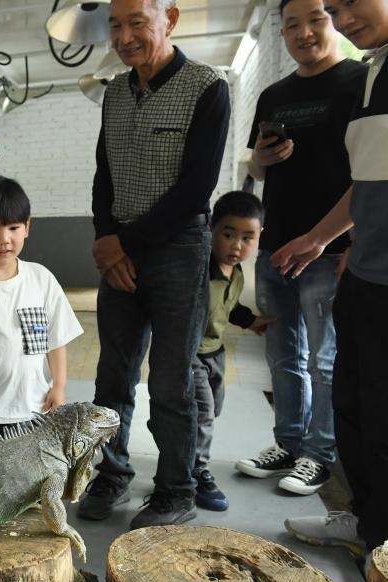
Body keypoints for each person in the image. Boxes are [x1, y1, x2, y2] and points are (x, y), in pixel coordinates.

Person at [77, 0, 230, 529]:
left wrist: (124, 243)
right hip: (120, 247)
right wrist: (104, 236)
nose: (123, 36)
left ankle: (175, 490)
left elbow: (196, 189)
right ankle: (112, 474)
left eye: (136, 23)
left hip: (179, 250)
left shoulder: (206, 87)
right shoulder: (116, 92)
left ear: (170, 19)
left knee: (170, 378)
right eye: (115, 26)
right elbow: (104, 172)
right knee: (112, 374)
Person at [271, 0, 388, 568]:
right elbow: (367, 182)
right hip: (365, 270)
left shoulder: (361, 74)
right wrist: (323, 237)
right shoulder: (374, 75)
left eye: (344, 5)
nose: (341, 19)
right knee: (355, 401)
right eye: (332, 8)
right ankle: (366, 521)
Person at [233, 0, 366, 496]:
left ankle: (318, 455)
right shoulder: (273, 94)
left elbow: (370, 171)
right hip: (276, 245)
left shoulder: (359, 80)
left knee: (324, 360)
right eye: (292, 24)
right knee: (282, 354)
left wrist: (332, 238)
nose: (304, 32)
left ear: (335, 20)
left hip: (330, 248)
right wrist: (261, 159)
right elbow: (258, 169)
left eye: (317, 19)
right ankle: (288, 442)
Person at [0, 174, 82, 438]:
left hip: (36, 408)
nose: (4, 239)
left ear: (27, 227)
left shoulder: (41, 279)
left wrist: (59, 386)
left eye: (12, 228)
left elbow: (56, 340)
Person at [192, 192, 272, 512]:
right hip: (191, 356)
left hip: (216, 354)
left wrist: (252, 321)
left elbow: (230, 307)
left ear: (258, 238)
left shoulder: (236, 273)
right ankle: (197, 470)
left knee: (215, 409)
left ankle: (183, 443)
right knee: (203, 415)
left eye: (247, 238)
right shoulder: (200, 270)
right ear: (212, 229)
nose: (236, 246)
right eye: (228, 234)